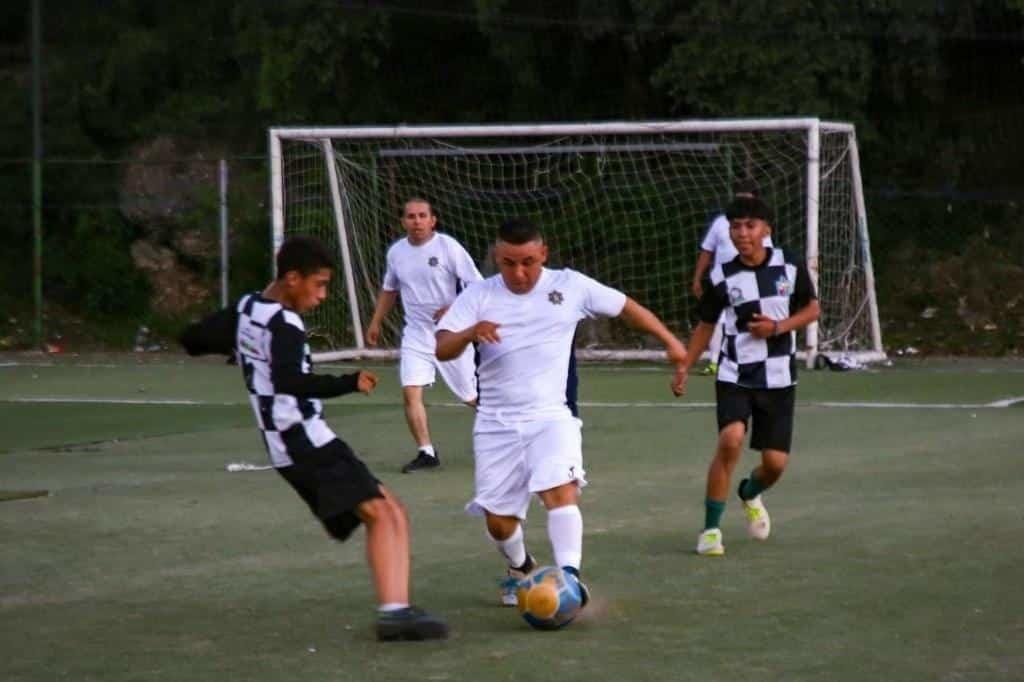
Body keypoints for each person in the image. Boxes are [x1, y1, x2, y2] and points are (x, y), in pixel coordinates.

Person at [179, 235, 448, 642]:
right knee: (384, 514)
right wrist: (349, 382)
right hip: (302, 440)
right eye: (319, 284)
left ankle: (398, 607)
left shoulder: (250, 307)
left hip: (296, 442)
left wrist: (214, 342)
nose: (322, 295)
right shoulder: (284, 323)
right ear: (291, 278)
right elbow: (289, 380)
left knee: (391, 512)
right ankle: (394, 614)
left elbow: (196, 338)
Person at [435, 217, 688, 606]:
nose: (518, 273)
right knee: (499, 523)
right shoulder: (478, 296)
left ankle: (570, 581)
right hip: (496, 422)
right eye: (508, 263)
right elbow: (442, 347)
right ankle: (520, 566)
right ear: (496, 258)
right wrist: (470, 333)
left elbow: (626, 307)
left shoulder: (570, 286)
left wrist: (671, 342)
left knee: (561, 491)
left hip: (552, 415)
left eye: (528, 262)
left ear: (544, 255)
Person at [681, 197, 820, 556]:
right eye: (735, 226)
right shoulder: (721, 274)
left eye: (750, 226)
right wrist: (685, 364)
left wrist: (778, 327)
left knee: (774, 465)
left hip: (778, 379)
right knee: (731, 439)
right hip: (735, 374)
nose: (742, 233)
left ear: (766, 230)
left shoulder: (789, 265)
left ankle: (750, 492)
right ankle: (711, 531)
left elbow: (812, 308)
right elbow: (706, 324)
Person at [365, 197, 483, 473]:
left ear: (433, 220)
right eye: (411, 216)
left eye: (422, 216)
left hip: (450, 334)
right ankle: (426, 452)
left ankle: (516, 434)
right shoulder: (396, 253)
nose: (416, 221)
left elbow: (477, 285)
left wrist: (453, 307)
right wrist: (375, 322)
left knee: (470, 396)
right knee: (410, 391)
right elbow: (389, 289)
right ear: (403, 221)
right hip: (416, 334)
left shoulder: (448, 247)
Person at [691, 178, 773, 375]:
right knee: (714, 320)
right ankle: (714, 361)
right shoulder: (721, 223)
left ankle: (753, 359)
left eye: (747, 199)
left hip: (750, 279)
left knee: (748, 319)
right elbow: (707, 250)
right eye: (739, 199)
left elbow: (767, 252)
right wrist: (697, 277)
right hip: (723, 282)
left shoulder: (760, 226)